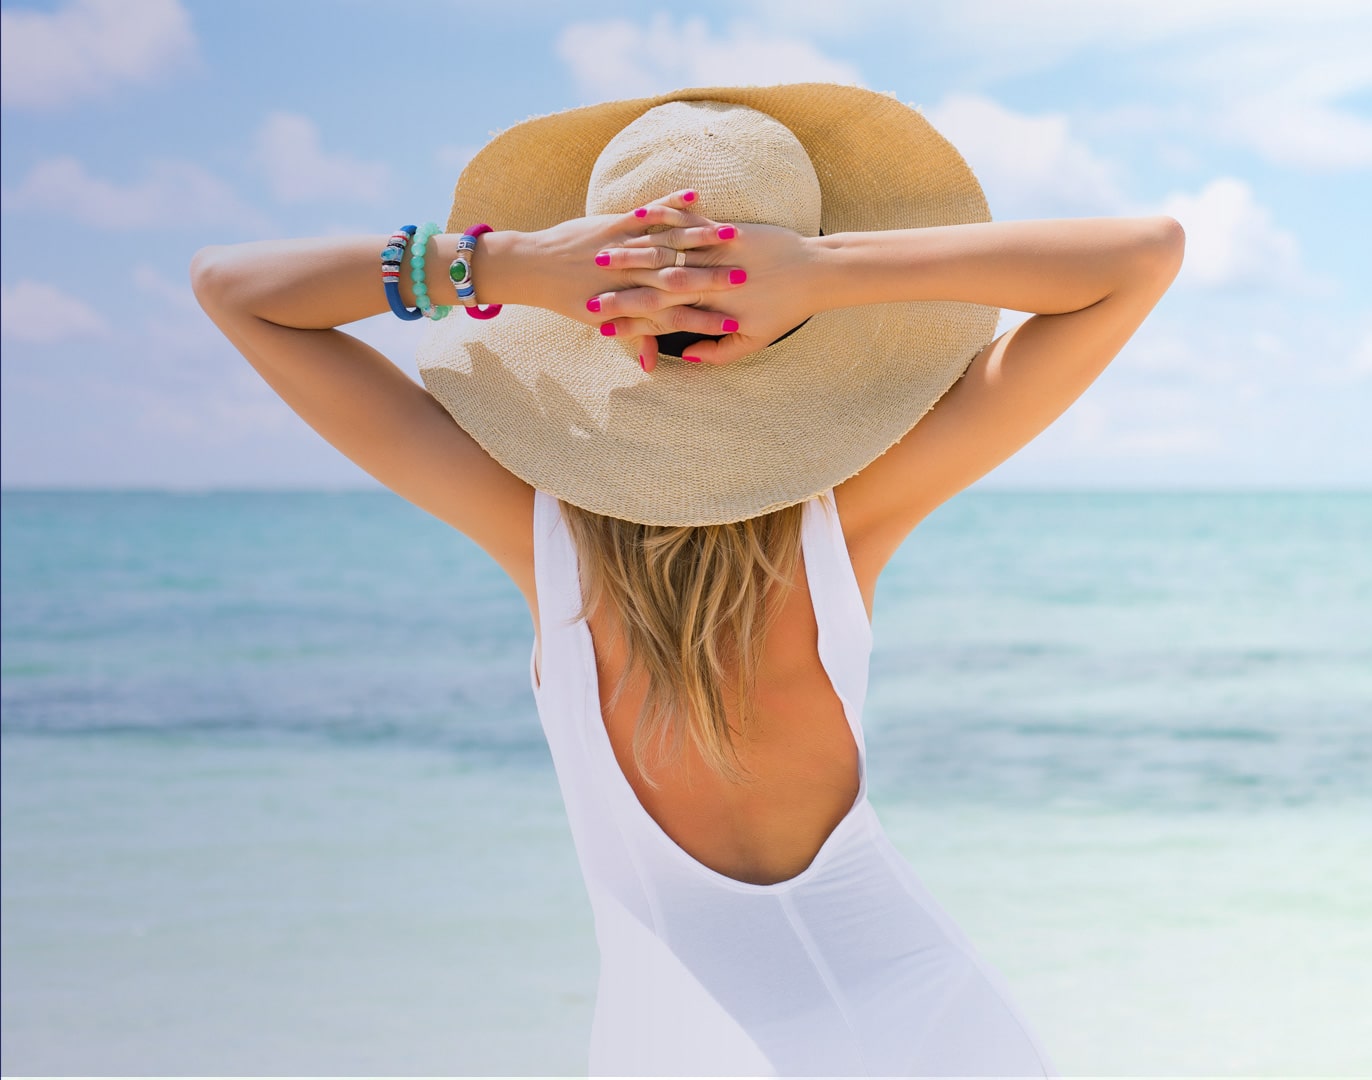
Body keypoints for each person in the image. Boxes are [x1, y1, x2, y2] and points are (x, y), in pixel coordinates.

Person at [192, 83, 1182, 1076]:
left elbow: (235, 289)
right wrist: (817, 274)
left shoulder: (537, 537)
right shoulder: (849, 525)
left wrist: (510, 262)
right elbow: (1142, 258)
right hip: (929, 1030)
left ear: (588, 308)